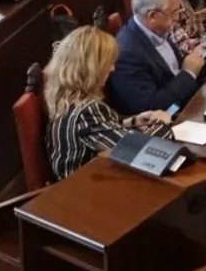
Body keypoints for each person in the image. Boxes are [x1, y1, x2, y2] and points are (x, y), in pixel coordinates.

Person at [44, 27, 172, 180]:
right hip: (87, 192)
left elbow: (96, 132)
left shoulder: (65, 98)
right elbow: (144, 152)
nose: (112, 68)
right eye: (108, 63)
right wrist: (162, 123)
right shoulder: (86, 111)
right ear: (90, 68)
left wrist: (132, 122)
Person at [108, 0, 206, 114]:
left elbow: (176, 70)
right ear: (153, 16)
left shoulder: (158, 30)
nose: (178, 18)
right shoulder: (127, 53)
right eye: (174, 13)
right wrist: (189, 73)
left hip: (189, 101)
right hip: (171, 119)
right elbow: (151, 107)